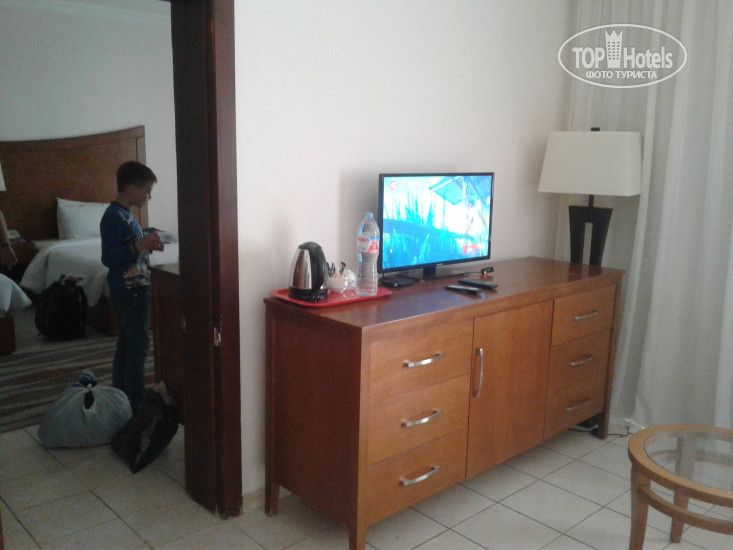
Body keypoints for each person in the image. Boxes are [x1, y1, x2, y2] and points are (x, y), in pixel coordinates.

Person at [101, 161, 164, 412]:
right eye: (146, 190)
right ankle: (135, 402)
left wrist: (147, 242)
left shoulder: (126, 216)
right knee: (137, 347)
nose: (148, 196)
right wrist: (139, 246)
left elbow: (130, 247)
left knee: (127, 344)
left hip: (135, 287)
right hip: (130, 290)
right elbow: (109, 257)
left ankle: (121, 395)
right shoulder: (113, 216)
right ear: (131, 188)